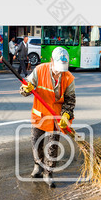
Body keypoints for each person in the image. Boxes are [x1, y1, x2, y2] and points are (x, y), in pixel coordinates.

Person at [20, 46, 76, 187]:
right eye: (57, 68)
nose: (59, 73)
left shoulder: (68, 78)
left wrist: (66, 115)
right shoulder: (39, 70)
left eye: (62, 69)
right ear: (51, 61)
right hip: (40, 113)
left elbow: (70, 100)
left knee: (53, 145)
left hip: (56, 117)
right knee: (36, 141)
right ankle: (38, 166)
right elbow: (26, 87)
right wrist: (26, 89)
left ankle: (48, 172)